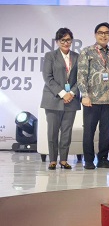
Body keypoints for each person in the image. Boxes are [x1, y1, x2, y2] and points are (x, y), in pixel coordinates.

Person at [77, 22, 109, 169]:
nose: (103, 35)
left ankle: (103, 159)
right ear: (95, 35)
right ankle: (88, 160)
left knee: (106, 132)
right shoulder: (87, 52)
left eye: (106, 33)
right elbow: (81, 75)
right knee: (89, 131)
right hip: (91, 100)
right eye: (100, 33)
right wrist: (84, 95)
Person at [40, 28, 80, 170]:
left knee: (66, 132)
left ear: (71, 41)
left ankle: (63, 160)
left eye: (68, 40)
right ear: (57, 41)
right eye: (62, 40)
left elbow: (81, 78)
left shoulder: (77, 56)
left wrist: (72, 93)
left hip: (71, 100)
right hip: (53, 99)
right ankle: (52, 160)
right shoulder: (50, 56)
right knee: (52, 131)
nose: (66, 43)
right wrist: (63, 93)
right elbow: (48, 78)